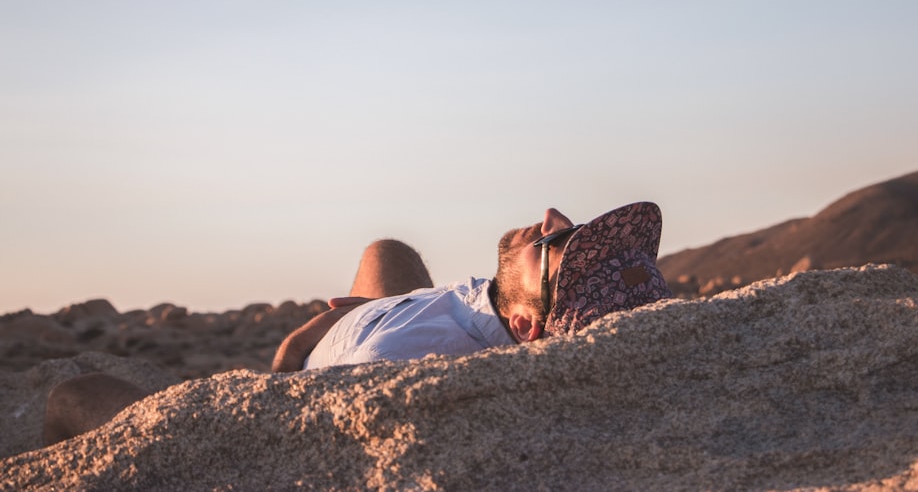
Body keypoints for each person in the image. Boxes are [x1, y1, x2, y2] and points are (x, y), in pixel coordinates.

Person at [43, 202, 672, 444]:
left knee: (73, 396)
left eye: (552, 243)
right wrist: (373, 308)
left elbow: (302, 421)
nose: (550, 214)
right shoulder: (504, 310)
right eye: (570, 228)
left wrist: (306, 345)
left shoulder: (397, 368)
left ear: (526, 327)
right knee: (385, 255)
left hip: (326, 362)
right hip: (409, 313)